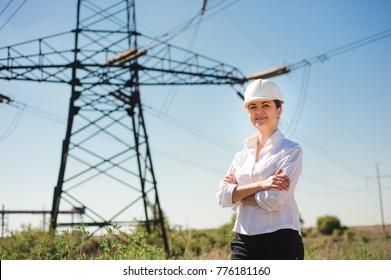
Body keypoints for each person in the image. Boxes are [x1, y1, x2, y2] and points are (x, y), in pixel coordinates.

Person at [216, 79, 304, 260]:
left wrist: (238, 195)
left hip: (281, 239)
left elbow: (273, 199)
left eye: (266, 104)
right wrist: (263, 184)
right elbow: (222, 197)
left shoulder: (290, 150)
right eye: (253, 106)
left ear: (278, 110)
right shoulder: (241, 156)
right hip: (243, 240)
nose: (259, 111)